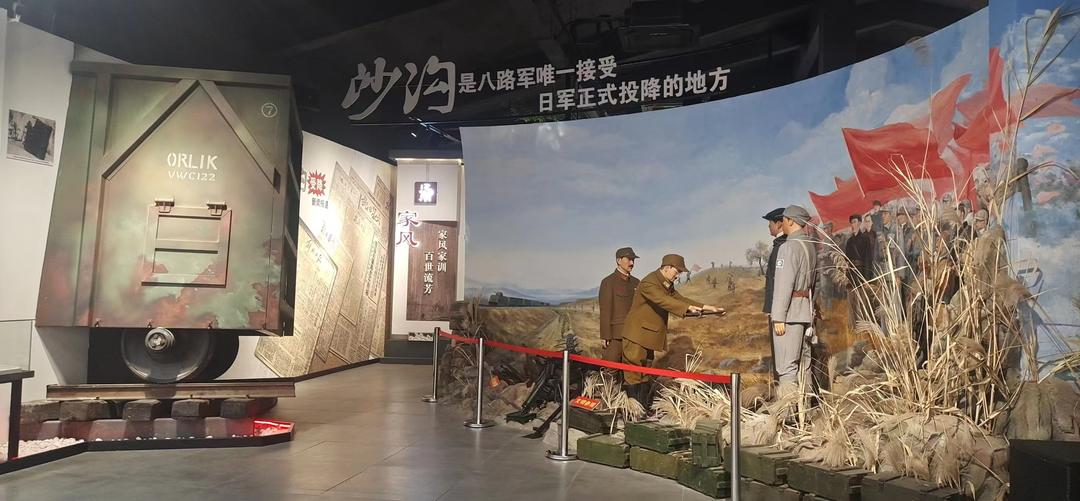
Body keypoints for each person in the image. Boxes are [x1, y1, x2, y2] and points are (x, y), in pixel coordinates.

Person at [622, 254, 723, 407]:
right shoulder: (649, 282)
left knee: (645, 374)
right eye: (677, 271)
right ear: (668, 267)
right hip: (636, 336)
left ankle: (642, 410)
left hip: (646, 336)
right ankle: (633, 413)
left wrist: (706, 307)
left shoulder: (665, 283)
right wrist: (687, 308)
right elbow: (663, 300)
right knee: (634, 375)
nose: (678, 275)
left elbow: (679, 299)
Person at [770, 205, 818, 412]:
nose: (782, 223)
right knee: (804, 365)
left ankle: (788, 416)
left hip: (789, 314)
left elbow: (783, 284)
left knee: (786, 367)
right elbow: (814, 284)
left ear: (790, 221)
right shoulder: (810, 247)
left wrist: (778, 316)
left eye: (784, 220)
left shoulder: (788, 248)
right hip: (806, 312)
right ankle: (804, 413)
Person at [598, 247, 641, 362]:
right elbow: (605, 310)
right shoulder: (608, 282)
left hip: (633, 335)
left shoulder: (637, 282)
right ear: (618, 260)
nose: (632, 263)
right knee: (611, 367)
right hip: (614, 336)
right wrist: (605, 335)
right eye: (629, 259)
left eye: (633, 260)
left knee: (630, 368)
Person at [762, 208, 787, 316]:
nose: (769, 226)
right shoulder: (780, 243)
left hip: (780, 309)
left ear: (779, 224)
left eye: (770, 222)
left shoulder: (782, 245)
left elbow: (778, 278)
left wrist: (771, 308)